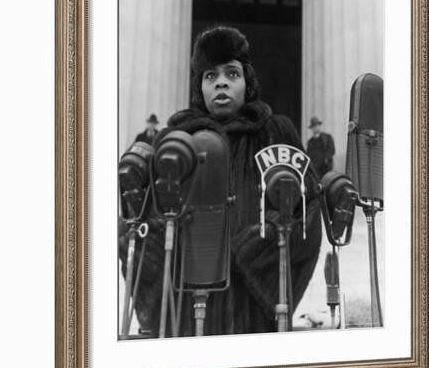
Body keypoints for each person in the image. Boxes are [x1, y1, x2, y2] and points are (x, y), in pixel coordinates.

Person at [119, 26, 322, 337]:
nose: (222, 82)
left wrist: (249, 247)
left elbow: (305, 210)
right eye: (210, 76)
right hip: (185, 301)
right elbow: (143, 221)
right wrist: (170, 242)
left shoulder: (274, 133)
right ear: (199, 86)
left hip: (251, 307)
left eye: (232, 73)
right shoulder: (176, 139)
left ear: (247, 82)